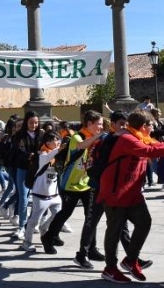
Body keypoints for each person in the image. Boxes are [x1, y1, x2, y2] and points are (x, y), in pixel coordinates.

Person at [98, 111, 164, 283]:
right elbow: (149, 151)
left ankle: (130, 259)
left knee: (144, 222)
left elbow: (156, 147)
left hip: (132, 192)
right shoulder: (127, 139)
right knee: (114, 230)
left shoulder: (140, 137)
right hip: (115, 192)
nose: (154, 129)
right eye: (152, 126)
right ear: (143, 127)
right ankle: (110, 268)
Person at [40, 110, 104, 258]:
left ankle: (91, 249)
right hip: (70, 183)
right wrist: (97, 136)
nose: (101, 127)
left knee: (91, 217)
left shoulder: (95, 138)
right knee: (65, 213)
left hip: (86, 183)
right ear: (89, 124)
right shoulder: (76, 136)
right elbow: (82, 146)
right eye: (98, 124)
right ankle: (48, 237)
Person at [21, 132, 62, 252]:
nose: (58, 142)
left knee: (59, 216)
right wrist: (62, 147)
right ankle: (27, 241)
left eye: (59, 140)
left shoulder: (57, 156)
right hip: (40, 195)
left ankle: (45, 228)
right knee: (34, 220)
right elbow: (51, 155)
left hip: (54, 195)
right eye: (55, 140)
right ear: (47, 143)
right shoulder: (43, 155)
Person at [12, 111, 44, 239]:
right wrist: (27, 155)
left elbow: (45, 148)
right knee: (23, 198)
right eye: (31, 122)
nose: (34, 125)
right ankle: (21, 226)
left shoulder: (41, 134)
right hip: (22, 169)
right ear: (26, 122)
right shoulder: (19, 135)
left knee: (38, 199)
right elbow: (16, 151)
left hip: (37, 169)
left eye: (36, 122)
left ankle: (34, 223)